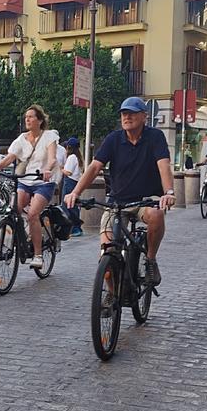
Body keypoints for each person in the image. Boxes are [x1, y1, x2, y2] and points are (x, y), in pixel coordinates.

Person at [66, 97, 176, 285]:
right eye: (124, 113)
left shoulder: (155, 137)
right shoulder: (113, 139)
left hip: (146, 201)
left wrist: (169, 192)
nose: (127, 117)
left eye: (132, 113)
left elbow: (163, 165)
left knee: (157, 215)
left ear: (144, 116)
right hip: (117, 202)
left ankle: (150, 260)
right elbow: (94, 167)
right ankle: (111, 294)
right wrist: (75, 192)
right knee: (107, 253)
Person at [0, 105, 58, 269]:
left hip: (43, 182)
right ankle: (26, 234)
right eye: (26, 117)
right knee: (14, 209)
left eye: (31, 116)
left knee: (33, 214)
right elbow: (10, 157)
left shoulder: (49, 136)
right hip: (26, 180)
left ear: (40, 120)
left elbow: (52, 158)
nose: (27, 119)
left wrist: (47, 169)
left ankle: (38, 255)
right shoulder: (21, 139)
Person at [61, 136, 83, 236]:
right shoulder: (78, 157)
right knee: (73, 205)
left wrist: (60, 168)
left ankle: (74, 227)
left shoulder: (71, 157)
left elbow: (68, 172)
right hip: (75, 182)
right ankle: (77, 227)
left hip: (69, 182)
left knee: (67, 205)